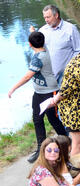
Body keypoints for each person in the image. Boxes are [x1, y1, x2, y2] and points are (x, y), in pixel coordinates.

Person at [8, 31, 67, 163]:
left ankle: (66, 142)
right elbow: (39, 39)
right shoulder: (43, 49)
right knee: (37, 120)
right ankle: (41, 149)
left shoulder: (39, 58)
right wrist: (32, 32)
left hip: (50, 92)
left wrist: (13, 88)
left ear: (29, 44)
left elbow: (28, 76)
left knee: (53, 119)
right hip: (39, 93)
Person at [31, 5, 80, 84]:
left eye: (48, 17)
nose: (46, 20)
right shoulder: (42, 31)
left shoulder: (70, 29)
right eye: (45, 17)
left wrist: (70, 67)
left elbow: (78, 50)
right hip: (48, 77)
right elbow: (38, 51)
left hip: (66, 77)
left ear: (56, 15)